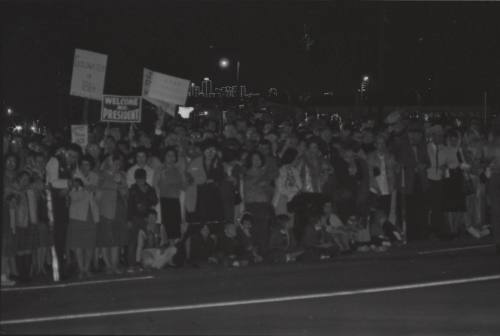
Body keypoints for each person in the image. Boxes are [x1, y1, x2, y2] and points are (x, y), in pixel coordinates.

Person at [45, 143, 81, 279]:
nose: (72, 159)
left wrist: (72, 184)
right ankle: (57, 271)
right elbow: (52, 182)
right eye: (70, 155)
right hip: (52, 203)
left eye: (75, 157)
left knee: (62, 237)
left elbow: (75, 180)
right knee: (57, 237)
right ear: (65, 152)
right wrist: (69, 183)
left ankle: (62, 268)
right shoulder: (54, 161)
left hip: (63, 203)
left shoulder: (70, 166)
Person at [97, 153, 128, 274]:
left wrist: (120, 183)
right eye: (113, 162)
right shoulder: (101, 175)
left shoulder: (122, 175)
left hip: (119, 210)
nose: (116, 165)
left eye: (118, 163)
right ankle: (108, 265)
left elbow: (126, 193)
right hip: (105, 210)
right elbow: (98, 194)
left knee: (117, 239)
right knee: (106, 239)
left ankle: (115, 265)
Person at [243, 151, 275, 255]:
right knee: (252, 228)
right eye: (254, 159)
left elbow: (271, 190)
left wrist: (267, 186)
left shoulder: (264, 173)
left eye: (259, 159)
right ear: (250, 160)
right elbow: (247, 186)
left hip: (263, 203)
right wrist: (261, 178)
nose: (257, 161)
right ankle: (253, 253)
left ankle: (264, 251)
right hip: (251, 204)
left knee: (264, 229)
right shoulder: (246, 172)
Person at [127, 168, 158, 271]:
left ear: (145, 178)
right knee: (132, 242)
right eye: (138, 179)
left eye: (142, 179)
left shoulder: (150, 188)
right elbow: (129, 205)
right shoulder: (132, 189)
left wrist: (147, 194)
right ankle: (131, 264)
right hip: (135, 217)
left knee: (150, 239)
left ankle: (148, 263)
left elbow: (155, 201)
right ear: (135, 179)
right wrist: (129, 220)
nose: (140, 181)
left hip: (147, 218)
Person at [155, 147, 186, 241]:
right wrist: (158, 202)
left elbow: (184, 186)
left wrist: (183, 175)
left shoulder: (178, 170)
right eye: (168, 155)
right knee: (165, 232)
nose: (171, 158)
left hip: (176, 201)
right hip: (164, 201)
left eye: (173, 155)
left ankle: (175, 253)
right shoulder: (160, 169)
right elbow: (155, 186)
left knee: (176, 232)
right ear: (164, 157)